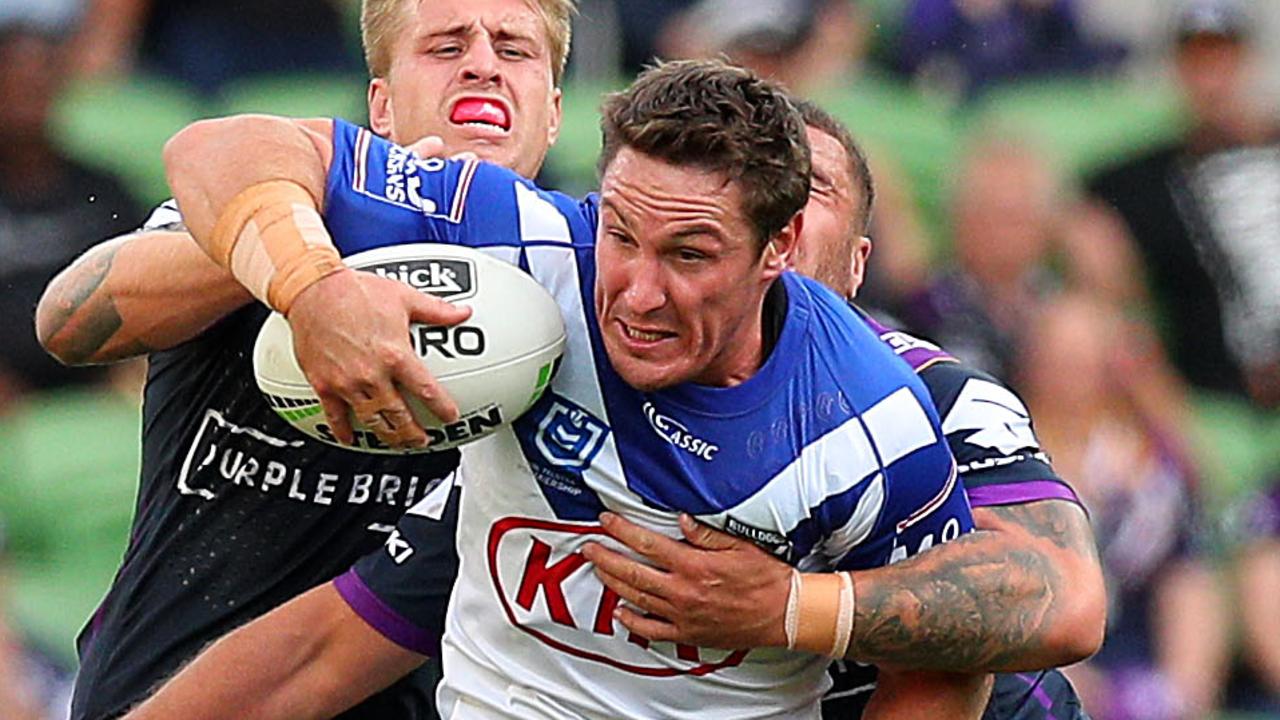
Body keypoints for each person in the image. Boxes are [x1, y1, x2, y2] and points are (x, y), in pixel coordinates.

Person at [129, 58, 986, 719]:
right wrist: (310, 287)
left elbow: (950, 666)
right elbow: (212, 148)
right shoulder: (529, 245)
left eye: (690, 255)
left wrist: (800, 610)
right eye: (622, 234)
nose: (638, 293)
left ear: (780, 245)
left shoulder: (870, 429)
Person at [34, 0, 575, 718]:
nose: (482, 62)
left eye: (515, 50)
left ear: (555, 110)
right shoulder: (265, 208)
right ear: (380, 105)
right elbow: (70, 321)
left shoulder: (579, 283)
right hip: (158, 686)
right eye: (445, 47)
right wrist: (317, 265)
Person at [581, 100, 1101, 719]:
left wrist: (792, 607)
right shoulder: (599, 355)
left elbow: (1065, 598)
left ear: (856, 264)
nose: (772, 199)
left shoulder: (937, 395)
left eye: (806, 185)